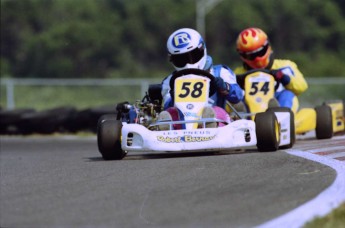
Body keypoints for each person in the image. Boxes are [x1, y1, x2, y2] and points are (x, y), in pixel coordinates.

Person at [159, 28, 244, 129]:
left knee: (215, 111)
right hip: (182, 122)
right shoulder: (170, 81)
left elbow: (238, 96)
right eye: (181, 59)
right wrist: (174, 97)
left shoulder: (220, 72)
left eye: (193, 56)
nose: (188, 63)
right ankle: (166, 128)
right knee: (170, 113)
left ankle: (209, 123)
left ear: (202, 50)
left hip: (215, 117)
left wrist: (225, 87)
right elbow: (166, 105)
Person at [234, 27, 308, 113]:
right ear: (242, 56)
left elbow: (302, 87)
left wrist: (284, 78)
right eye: (251, 56)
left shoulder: (285, 66)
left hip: (278, 102)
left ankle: (282, 117)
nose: (257, 58)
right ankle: (240, 120)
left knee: (288, 95)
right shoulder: (237, 74)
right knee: (234, 100)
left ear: (267, 47)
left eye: (260, 52)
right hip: (249, 111)